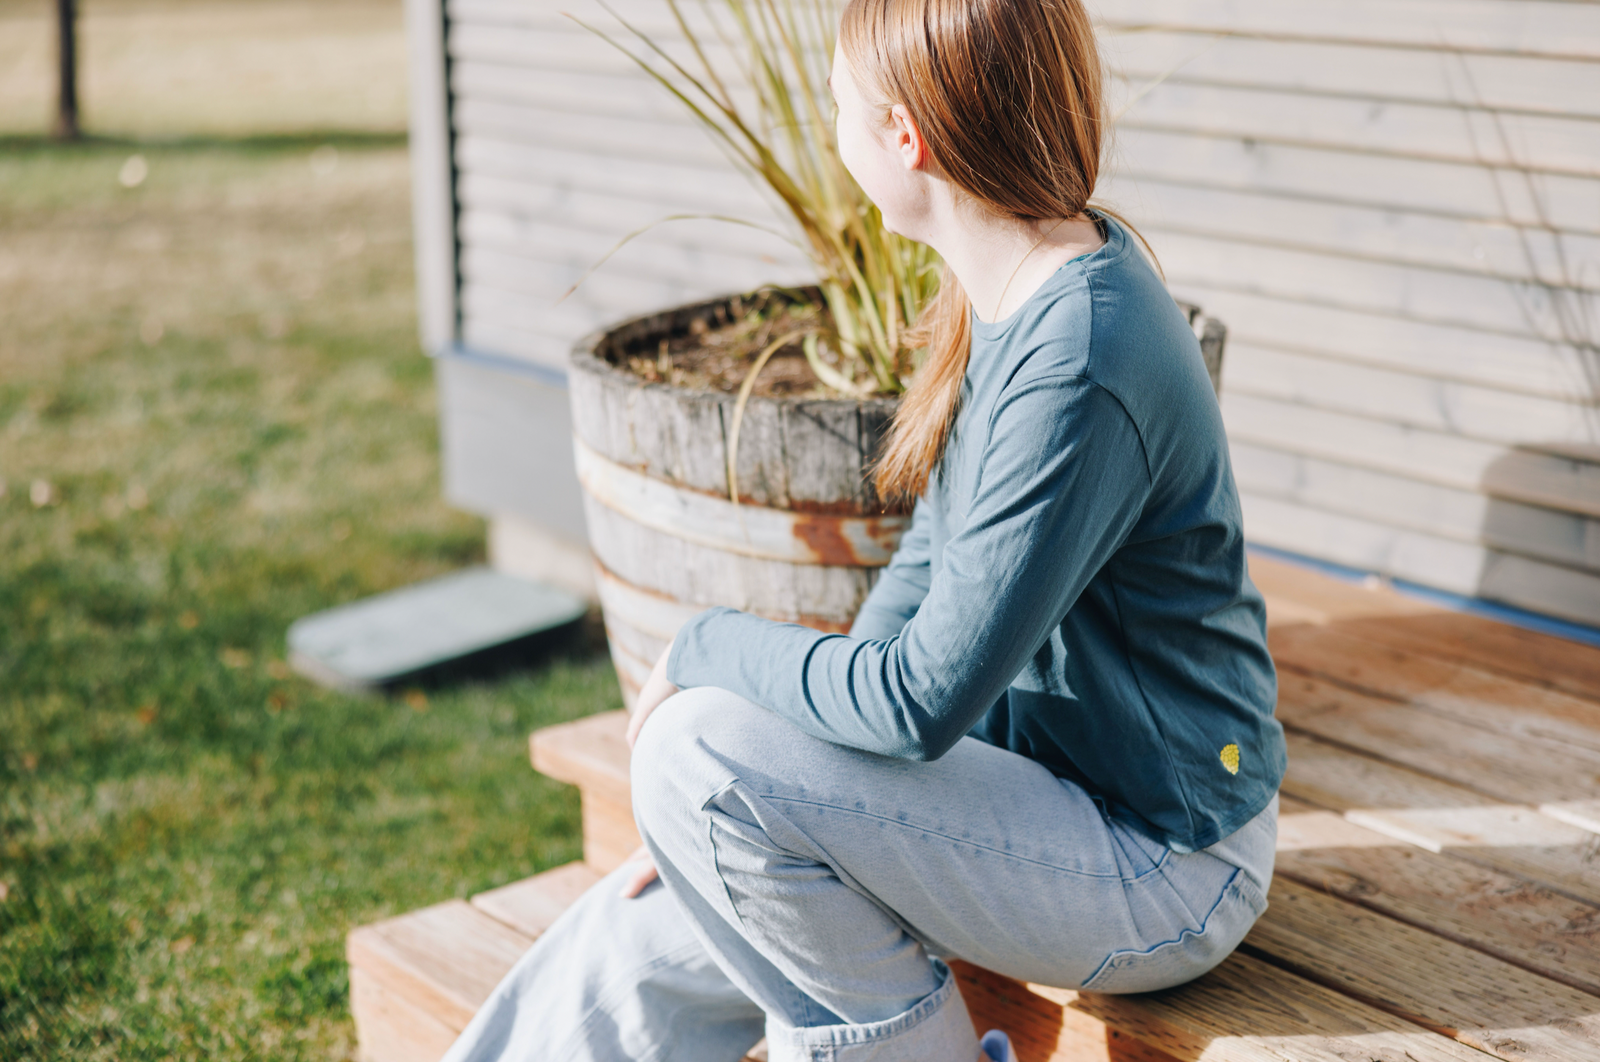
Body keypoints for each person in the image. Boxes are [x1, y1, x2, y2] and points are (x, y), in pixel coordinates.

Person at [441, 0, 1286, 1059]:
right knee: (655, 899)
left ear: (904, 138)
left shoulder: (1078, 360)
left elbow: (915, 704)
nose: (830, 126)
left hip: (1163, 863)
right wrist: (739, 793)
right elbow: (919, 583)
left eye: (839, 105)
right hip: (1047, 799)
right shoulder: (1015, 286)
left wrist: (705, 653)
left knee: (697, 749)